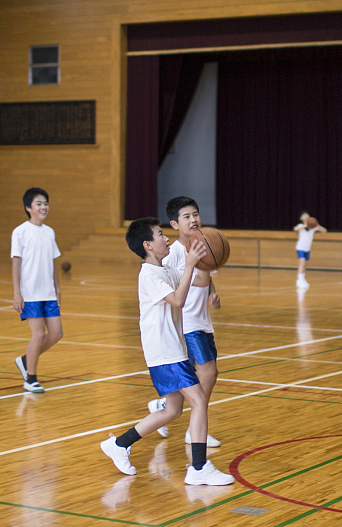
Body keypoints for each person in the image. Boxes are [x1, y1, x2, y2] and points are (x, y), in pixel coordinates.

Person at [100, 217, 233, 486]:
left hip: (173, 350)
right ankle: (198, 468)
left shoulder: (164, 271)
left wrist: (207, 258)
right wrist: (192, 263)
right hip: (164, 350)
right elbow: (178, 299)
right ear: (148, 244)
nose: (167, 238)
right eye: (161, 234)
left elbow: (197, 282)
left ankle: (119, 444)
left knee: (172, 411)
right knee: (197, 402)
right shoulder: (148, 275)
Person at [148, 196, 222, 446]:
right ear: (174, 224)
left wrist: (212, 291)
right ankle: (194, 430)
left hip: (203, 320)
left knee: (203, 375)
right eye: (186, 216)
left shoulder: (203, 245)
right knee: (208, 372)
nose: (194, 219)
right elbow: (171, 288)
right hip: (186, 323)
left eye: (196, 214)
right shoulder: (172, 253)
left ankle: (163, 405)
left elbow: (205, 277)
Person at [11, 187, 64, 393]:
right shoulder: (20, 231)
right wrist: (17, 293)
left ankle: (26, 360)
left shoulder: (49, 232)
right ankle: (30, 378)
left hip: (48, 293)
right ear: (28, 208)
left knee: (57, 333)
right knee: (38, 335)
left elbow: (52, 263)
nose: (43, 207)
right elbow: (16, 263)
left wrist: (58, 288)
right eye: (39, 204)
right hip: (30, 294)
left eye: (45, 203)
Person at [294, 211, 328, 289]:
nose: (306, 215)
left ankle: (303, 279)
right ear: (301, 218)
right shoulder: (301, 226)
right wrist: (305, 225)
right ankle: (299, 280)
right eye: (304, 215)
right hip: (300, 248)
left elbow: (324, 231)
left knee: (305, 265)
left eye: (307, 214)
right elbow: (295, 228)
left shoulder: (313, 228)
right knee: (302, 263)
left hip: (307, 249)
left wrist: (318, 225)